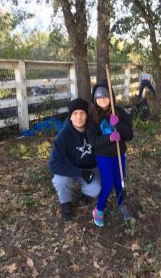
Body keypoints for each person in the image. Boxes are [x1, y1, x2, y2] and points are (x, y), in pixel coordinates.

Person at [87, 79, 133, 227]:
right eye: (99, 97)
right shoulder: (92, 117)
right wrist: (109, 138)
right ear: (94, 99)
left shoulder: (119, 112)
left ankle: (121, 203)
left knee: (120, 181)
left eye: (106, 96)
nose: (102, 99)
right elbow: (93, 141)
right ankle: (99, 209)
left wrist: (118, 124)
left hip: (119, 154)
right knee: (107, 184)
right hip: (104, 157)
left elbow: (129, 135)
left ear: (111, 97)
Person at [49, 98, 101, 221]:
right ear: (70, 117)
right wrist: (80, 173)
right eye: (75, 113)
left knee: (95, 189)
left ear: (86, 115)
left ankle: (85, 193)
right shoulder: (63, 135)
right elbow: (53, 165)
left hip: (90, 168)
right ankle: (66, 203)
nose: (79, 117)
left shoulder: (93, 130)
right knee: (60, 181)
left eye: (82, 113)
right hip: (69, 169)